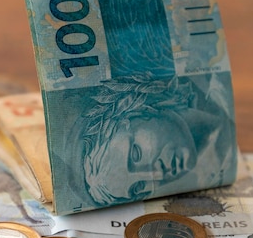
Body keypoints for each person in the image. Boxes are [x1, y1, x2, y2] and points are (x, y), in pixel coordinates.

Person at [79, 71, 235, 207]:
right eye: (138, 187)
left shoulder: (218, 82)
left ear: (137, 111)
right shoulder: (211, 175)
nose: (156, 174)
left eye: (136, 154)